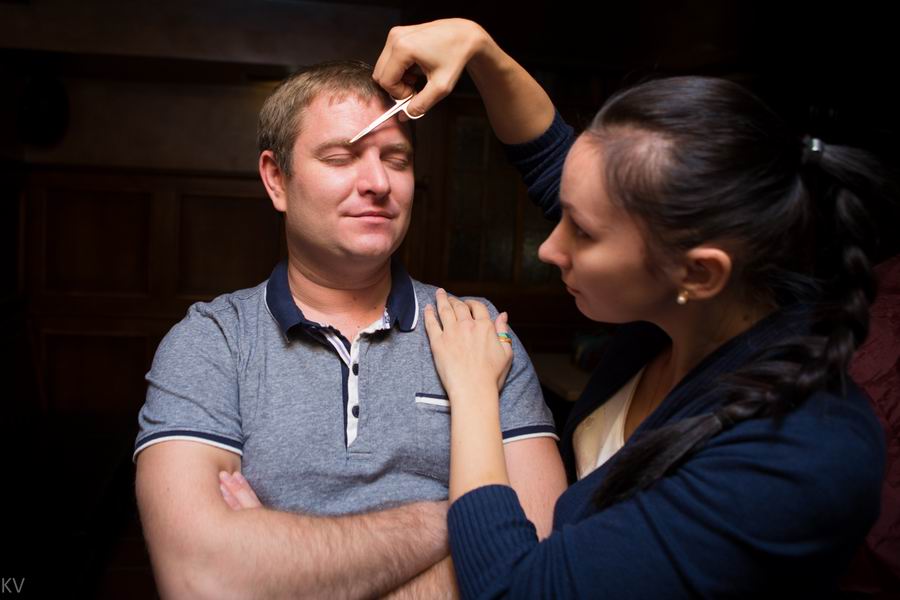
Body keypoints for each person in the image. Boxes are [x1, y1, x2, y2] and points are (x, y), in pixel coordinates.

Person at [369, 18, 892, 598]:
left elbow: (516, 590)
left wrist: (472, 392)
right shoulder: (700, 308)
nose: (548, 249)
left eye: (582, 231)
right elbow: (548, 157)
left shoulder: (796, 457)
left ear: (698, 272)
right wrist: (480, 49)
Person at [133, 59, 566, 599]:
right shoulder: (213, 341)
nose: (378, 183)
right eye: (341, 157)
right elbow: (202, 580)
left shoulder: (478, 332)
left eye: (397, 160)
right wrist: (463, 518)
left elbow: (540, 565)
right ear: (276, 179)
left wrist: (272, 563)